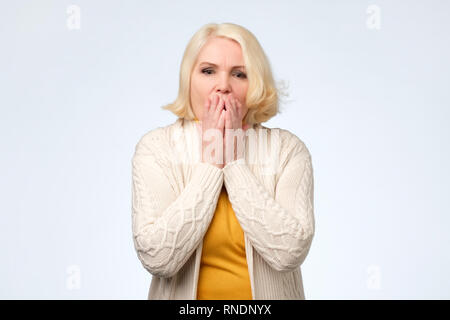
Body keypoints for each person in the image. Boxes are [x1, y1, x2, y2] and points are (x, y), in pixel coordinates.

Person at [131, 22, 315, 300]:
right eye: (208, 71)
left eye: (239, 74)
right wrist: (211, 165)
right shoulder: (157, 149)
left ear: (255, 85)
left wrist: (234, 164)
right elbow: (158, 257)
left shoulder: (287, 150)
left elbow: (290, 252)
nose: (223, 86)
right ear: (188, 79)